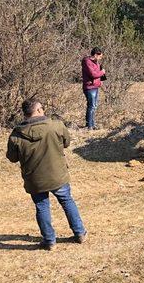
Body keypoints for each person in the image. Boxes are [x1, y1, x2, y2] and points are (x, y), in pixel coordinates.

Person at [6, 99, 87, 251]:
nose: (43, 110)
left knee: (42, 207)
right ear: (37, 111)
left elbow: (12, 158)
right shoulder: (56, 125)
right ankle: (80, 233)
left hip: (34, 179)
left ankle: (49, 241)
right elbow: (66, 143)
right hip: (58, 174)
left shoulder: (16, 135)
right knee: (67, 201)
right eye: (42, 108)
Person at [81, 47, 105, 130]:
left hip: (95, 86)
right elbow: (93, 74)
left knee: (92, 106)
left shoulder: (96, 63)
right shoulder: (87, 61)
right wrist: (102, 72)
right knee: (92, 106)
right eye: (100, 56)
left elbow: (97, 75)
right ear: (95, 55)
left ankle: (91, 124)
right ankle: (90, 125)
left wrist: (100, 81)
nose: (100, 58)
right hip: (89, 87)